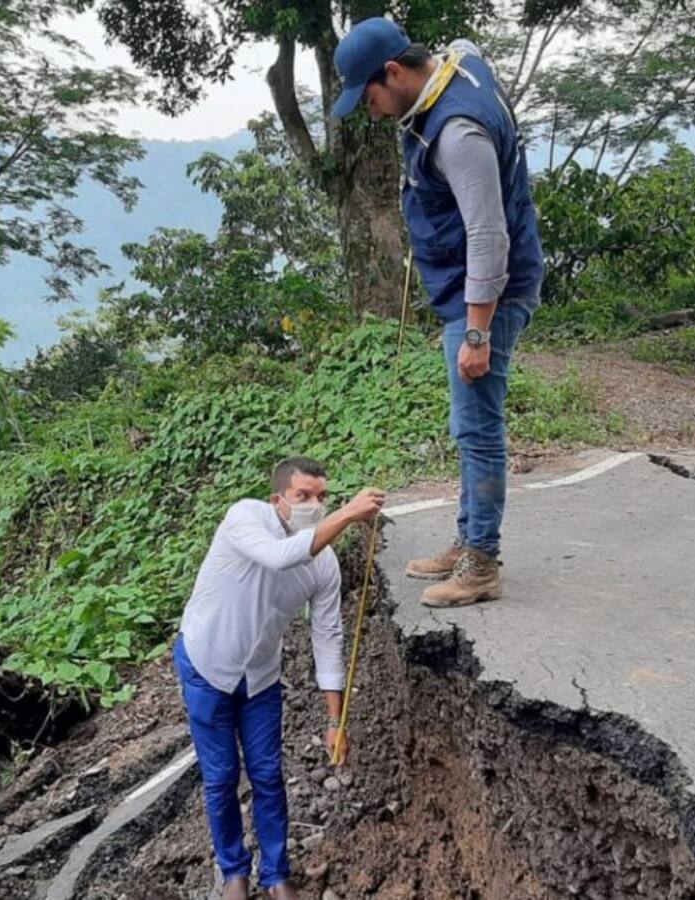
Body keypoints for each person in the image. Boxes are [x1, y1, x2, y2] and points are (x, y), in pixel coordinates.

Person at [333, 17, 544, 608]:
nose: (372, 112)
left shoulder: (457, 136)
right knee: (468, 423)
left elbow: (488, 234)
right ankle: (466, 539)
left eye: (370, 96)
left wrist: (476, 331)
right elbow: (469, 49)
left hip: (489, 293)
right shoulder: (459, 61)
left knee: (476, 426)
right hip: (468, 287)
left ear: (395, 72)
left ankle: (481, 563)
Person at [174, 457, 385, 899]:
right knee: (221, 776)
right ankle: (233, 872)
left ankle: (275, 875)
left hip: (260, 677)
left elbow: (327, 636)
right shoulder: (246, 518)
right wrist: (348, 513)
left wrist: (335, 721)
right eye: (302, 496)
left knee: (269, 774)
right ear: (278, 500)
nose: (314, 504)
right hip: (206, 662)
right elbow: (278, 557)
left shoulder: (324, 564)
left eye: (322, 498)